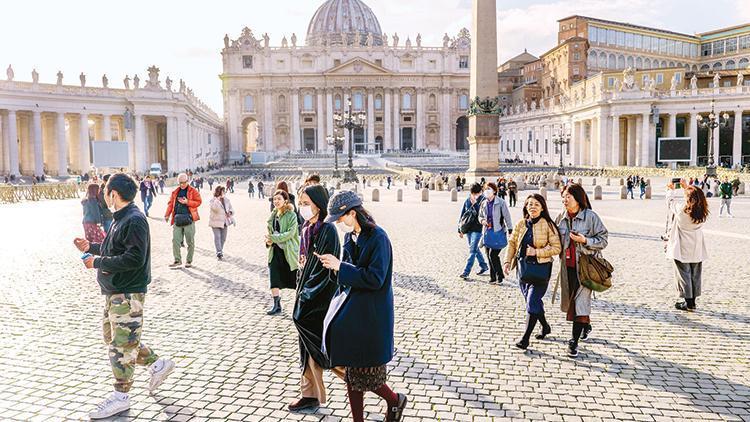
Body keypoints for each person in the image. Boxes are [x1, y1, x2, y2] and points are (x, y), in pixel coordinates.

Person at [73, 173, 175, 419]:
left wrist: (97, 261)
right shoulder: (121, 218)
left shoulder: (135, 220)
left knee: (121, 345)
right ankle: (157, 363)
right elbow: (115, 248)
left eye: (107, 193)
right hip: (115, 291)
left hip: (128, 293)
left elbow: (133, 258)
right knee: (115, 338)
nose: (105, 197)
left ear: (113, 195)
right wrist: (91, 247)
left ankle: (121, 397)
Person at [317, 191, 408, 422]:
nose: (339, 223)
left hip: (372, 316)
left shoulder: (379, 238)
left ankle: (395, 400)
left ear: (353, 213)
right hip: (353, 314)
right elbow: (347, 274)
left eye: (340, 218)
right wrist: (333, 267)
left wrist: (342, 267)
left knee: (369, 377)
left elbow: (375, 278)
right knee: (352, 375)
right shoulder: (350, 238)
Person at [288, 185, 345, 412]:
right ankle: (309, 394)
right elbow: (303, 264)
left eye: (306, 203)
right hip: (304, 295)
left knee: (322, 346)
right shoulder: (307, 227)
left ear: (318, 205)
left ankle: (361, 380)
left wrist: (307, 296)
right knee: (307, 348)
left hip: (318, 300)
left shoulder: (327, 230)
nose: (302, 207)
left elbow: (323, 269)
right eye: (300, 203)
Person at [554, 184, 609, 358]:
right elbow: (554, 240)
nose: (565, 200)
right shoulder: (560, 218)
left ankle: (573, 342)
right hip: (567, 268)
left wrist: (585, 240)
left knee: (581, 303)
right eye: (563, 197)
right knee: (572, 303)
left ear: (578, 198)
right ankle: (585, 324)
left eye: (568, 197)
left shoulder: (590, 217)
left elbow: (603, 239)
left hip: (585, 267)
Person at [503, 194, 561, 350]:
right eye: (530, 204)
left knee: (532, 301)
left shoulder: (548, 225)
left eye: (536, 204)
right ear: (526, 207)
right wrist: (507, 261)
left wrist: (536, 252)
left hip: (541, 270)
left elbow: (557, 248)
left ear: (542, 207)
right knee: (533, 302)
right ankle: (545, 326)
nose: (533, 207)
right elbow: (512, 244)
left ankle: (525, 339)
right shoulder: (520, 224)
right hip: (523, 271)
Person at [666, 180, 709, 311]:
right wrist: (687, 188)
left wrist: (671, 189)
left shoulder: (681, 211)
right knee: (695, 274)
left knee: (683, 273)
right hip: (696, 246)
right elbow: (694, 199)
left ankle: (688, 302)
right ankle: (693, 302)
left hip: (681, 245)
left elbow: (670, 202)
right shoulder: (702, 213)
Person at [265, 189, 300, 315]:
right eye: (274, 199)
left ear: (285, 200)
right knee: (274, 278)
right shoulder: (273, 215)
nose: (276, 201)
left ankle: (299, 305)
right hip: (275, 251)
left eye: (279, 199)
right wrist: (268, 241)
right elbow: (269, 232)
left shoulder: (292, 215)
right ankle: (276, 304)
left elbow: (290, 234)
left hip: (289, 251)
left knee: (294, 280)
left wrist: (273, 238)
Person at [165, 173, 202, 269]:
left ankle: (189, 261)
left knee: (190, 241)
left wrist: (187, 202)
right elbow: (170, 204)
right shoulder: (175, 192)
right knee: (175, 240)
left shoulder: (193, 191)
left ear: (187, 181)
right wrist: (167, 214)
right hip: (177, 220)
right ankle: (177, 260)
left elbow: (199, 202)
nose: (182, 185)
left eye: (184, 182)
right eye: (180, 183)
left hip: (189, 219)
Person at [478, 183, 512, 284]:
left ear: (494, 191)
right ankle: (493, 277)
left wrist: (510, 230)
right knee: (488, 255)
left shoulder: (501, 202)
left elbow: (507, 216)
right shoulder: (483, 203)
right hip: (487, 232)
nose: (487, 190)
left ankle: (499, 275)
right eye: (485, 189)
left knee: (493, 254)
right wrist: (482, 221)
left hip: (498, 231)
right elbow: (480, 216)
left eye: (489, 189)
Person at [458, 183, 488, 280]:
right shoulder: (468, 200)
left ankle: (466, 272)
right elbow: (463, 214)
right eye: (472, 193)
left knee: (472, 250)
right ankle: (484, 266)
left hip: (477, 228)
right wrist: (459, 229)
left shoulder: (483, 200)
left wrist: (475, 204)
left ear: (480, 192)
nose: (474, 195)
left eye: (476, 193)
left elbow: (482, 214)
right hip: (468, 228)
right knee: (475, 249)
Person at [208, 186, 234, 260]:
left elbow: (231, 208)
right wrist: (218, 199)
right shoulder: (212, 200)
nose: (224, 192)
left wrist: (230, 212)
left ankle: (220, 250)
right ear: (219, 192)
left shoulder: (227, 200)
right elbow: (215, 209)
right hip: (215, 222)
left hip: (224, 222)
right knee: (217, 237)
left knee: (223, 238)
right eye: (223, 191)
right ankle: (219, 252)